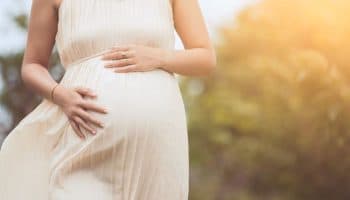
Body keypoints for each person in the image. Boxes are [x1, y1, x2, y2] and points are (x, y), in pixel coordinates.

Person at [0, 0, 216, 199]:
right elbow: (32, 65)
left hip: (157, 148)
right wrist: (60, 95)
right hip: (84, 141)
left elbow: (205, 58)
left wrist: (159, 57)